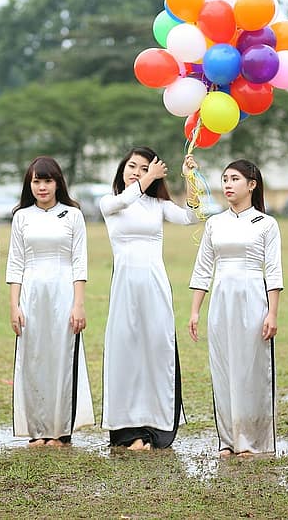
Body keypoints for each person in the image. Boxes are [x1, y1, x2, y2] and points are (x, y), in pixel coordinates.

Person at [100, 146, 200, 450]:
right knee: (126, 351)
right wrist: (147, 179)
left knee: (156, 348)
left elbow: (192, 217)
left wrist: (190, 179)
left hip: (155, 284)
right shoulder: (111, 203)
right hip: (125, 286)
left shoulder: (158, 204)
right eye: (132, 166)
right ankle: (127, 431)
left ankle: (156, 427)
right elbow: (127, 198)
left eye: (144, 168)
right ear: (122, 168)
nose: (137, 172)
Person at [188, 159, 282, 457]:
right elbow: (203, 268)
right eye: (225, 179)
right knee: (223, 367)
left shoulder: (266, 224)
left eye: (235, 179)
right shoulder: (215, 222)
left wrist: (273, 312)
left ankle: (253, 441)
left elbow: (274, 271)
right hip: (221, 300)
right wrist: (195, 311)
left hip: (254, 298)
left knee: (252, 368)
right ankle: (228, 440)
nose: (227, 185)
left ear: (252, 184)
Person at [6, 156, 95, 446]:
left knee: (61, 358)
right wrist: (14, 305)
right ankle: (37, 431)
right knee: (33, 360)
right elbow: (15, 263)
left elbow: (79, 262)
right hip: (31, 295)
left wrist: (78, 303)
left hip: (63, 293)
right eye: (36, 181)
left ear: (58, 183)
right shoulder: (22, 217)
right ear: (29, 184)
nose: (42, 187)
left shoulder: (72, 215)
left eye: (47, 180)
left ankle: (59, 430)